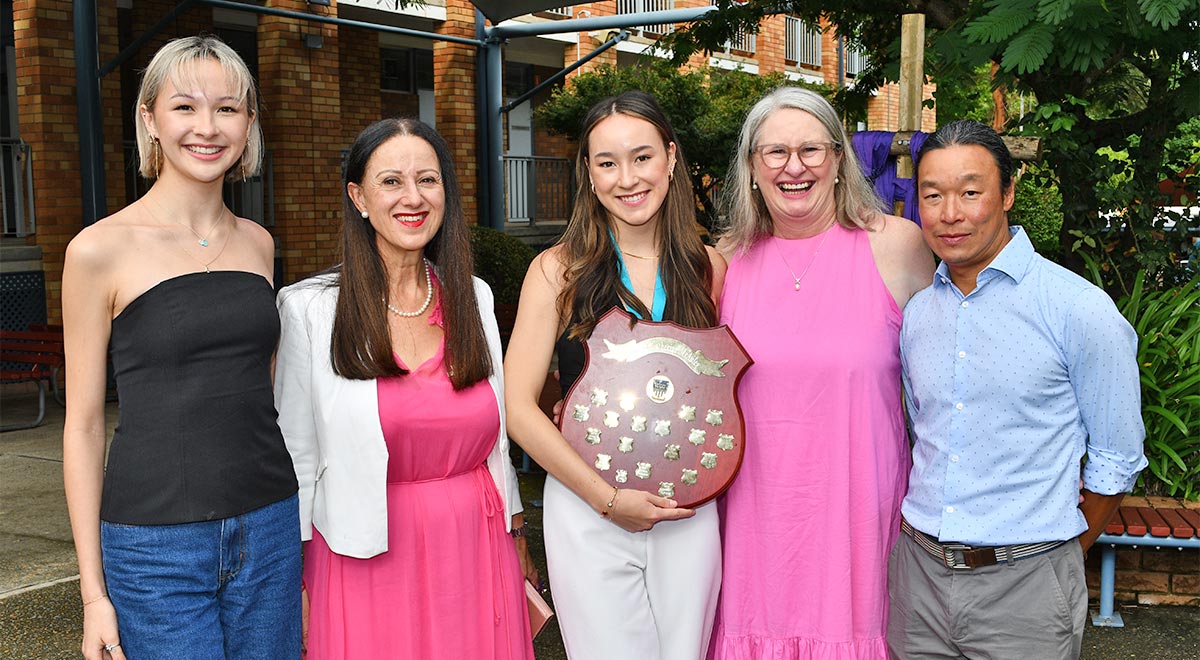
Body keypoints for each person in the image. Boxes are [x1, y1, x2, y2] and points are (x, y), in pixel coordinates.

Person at [61, 36, 299, 660]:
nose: (207, 127)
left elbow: (262, 395)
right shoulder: (97, 250)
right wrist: (94, 596)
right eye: (185, 107)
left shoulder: (259, 244)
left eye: (228, 108)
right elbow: (83, 426)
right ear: (150, 119)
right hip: (153, 544)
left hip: (270, 522)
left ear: (248, 124)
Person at [273, 117, 536, 659]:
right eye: (391, 181)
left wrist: (517, 530)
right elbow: (296, 458)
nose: (412, 197)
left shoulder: (474, 296)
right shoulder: (311, 309)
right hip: (361, 553)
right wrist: (292, 578)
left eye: (428, 180)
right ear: (359, 197)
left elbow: (498, 441)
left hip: (476, 543)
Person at [889, 120, 1148, 660]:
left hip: (1027, 587)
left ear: (1007, 193)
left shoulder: (1077, 309)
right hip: (918, 582)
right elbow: (922, 433)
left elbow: (1116, 458)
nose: (950, 213)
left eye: (969, 192)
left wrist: (1051, 558)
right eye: (932, 196)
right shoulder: (917, 315)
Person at [710, 86, 934, 659]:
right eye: (774, 152)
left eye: (812, 149)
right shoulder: (724, 261)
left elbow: (948, 380)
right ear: (752, 168)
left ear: (838, 160)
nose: (794, 166)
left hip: (858, 508)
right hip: (752, 517)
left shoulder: (898, 246)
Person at [504, 90, 727, 660]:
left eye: (642, 157)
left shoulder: (710, 267)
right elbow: (518, 408)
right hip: (588, 508)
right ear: (588, 172)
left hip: (689, 508)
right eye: (607, 162)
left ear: (672, 159)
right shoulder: (558, 269)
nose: (627, 178)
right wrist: (606, 501)